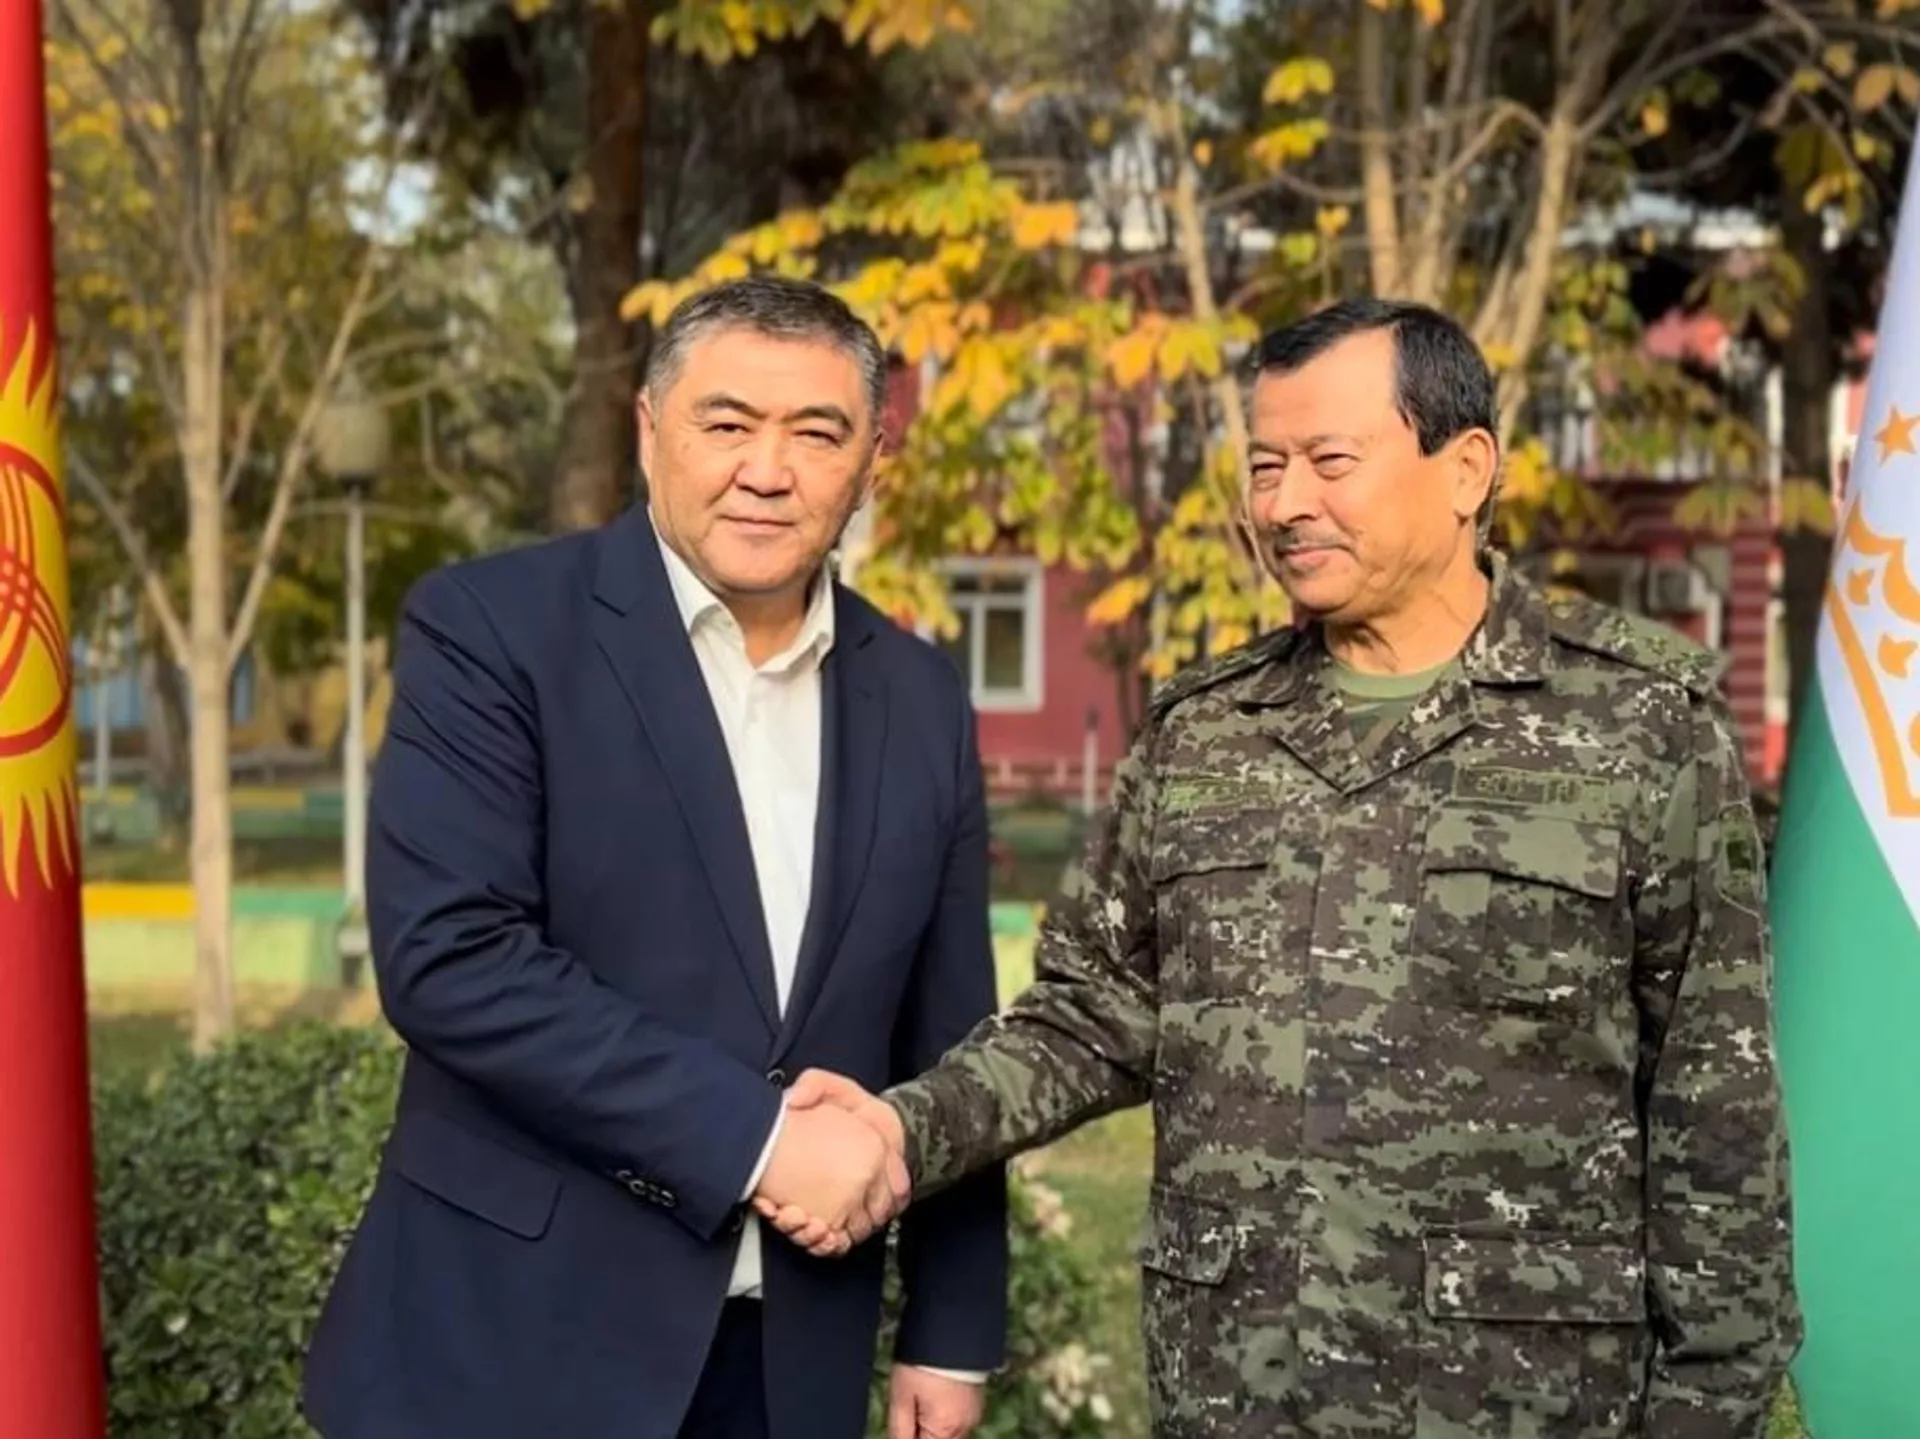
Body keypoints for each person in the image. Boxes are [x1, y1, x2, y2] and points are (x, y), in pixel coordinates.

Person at [760, 298, 1802, 1436]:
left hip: (1523, 1402)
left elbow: (1718, 1118)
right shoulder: (1206, 729)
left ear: (1466, 469)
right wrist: (902, 1130)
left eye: (1328, 462)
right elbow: (1090, 1017)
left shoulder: (1640, 725)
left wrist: (1708, 1409)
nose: (1284, 503)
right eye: (1265, 465)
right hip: (1239, 1390)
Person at [302, 275, 1008, 1439]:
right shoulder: (492, 630)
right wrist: (761, 1141)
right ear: (648, 430)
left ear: (872, 461)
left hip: (788, 1362)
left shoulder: (923, 697)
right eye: (726, 423)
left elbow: (950, 1036)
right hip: (513, 1347)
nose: (767, 470)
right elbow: (452, 958)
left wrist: (951, 1323)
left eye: (816, 432)